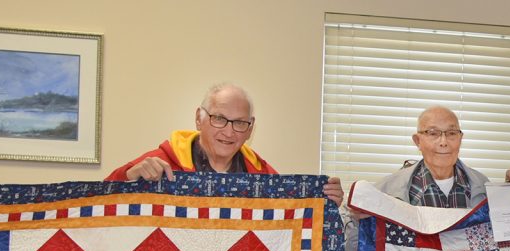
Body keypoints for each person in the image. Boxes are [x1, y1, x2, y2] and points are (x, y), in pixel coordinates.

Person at [342, 105, 510, 251]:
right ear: (418, 141)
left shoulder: (483, 189)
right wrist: (359, 223)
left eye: (452, 133)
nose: (443, 142)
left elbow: (507, 249)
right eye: (433, 133)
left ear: (460, 139)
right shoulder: (387, 191)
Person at [107, 82, 344, 207]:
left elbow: (293, 218)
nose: (229, 132)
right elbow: (97, 205)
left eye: (240, 123)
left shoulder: (262, 175)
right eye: (219, 119)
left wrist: (325, 200)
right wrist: (129, 175)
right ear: (199, 119)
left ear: (250, 128)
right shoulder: (162, 162)